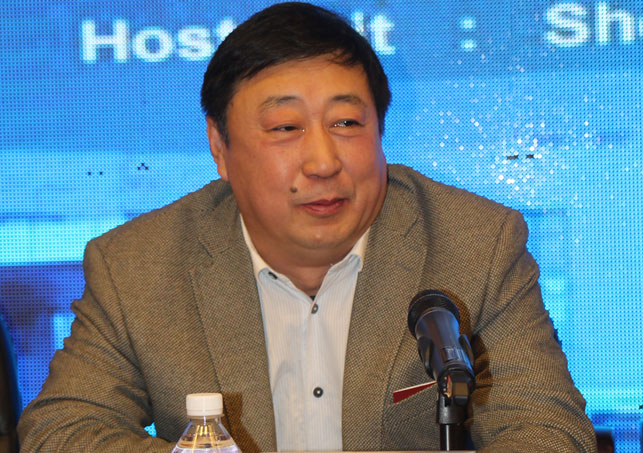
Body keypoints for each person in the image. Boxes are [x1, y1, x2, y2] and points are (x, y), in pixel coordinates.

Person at [18, 2, 597, 452]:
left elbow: (547, 429)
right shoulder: (137, 265)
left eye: (346, 123)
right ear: (219, 147)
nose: (323, 162)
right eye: (285, 128)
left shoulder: (474, 244)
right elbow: (61, 430)